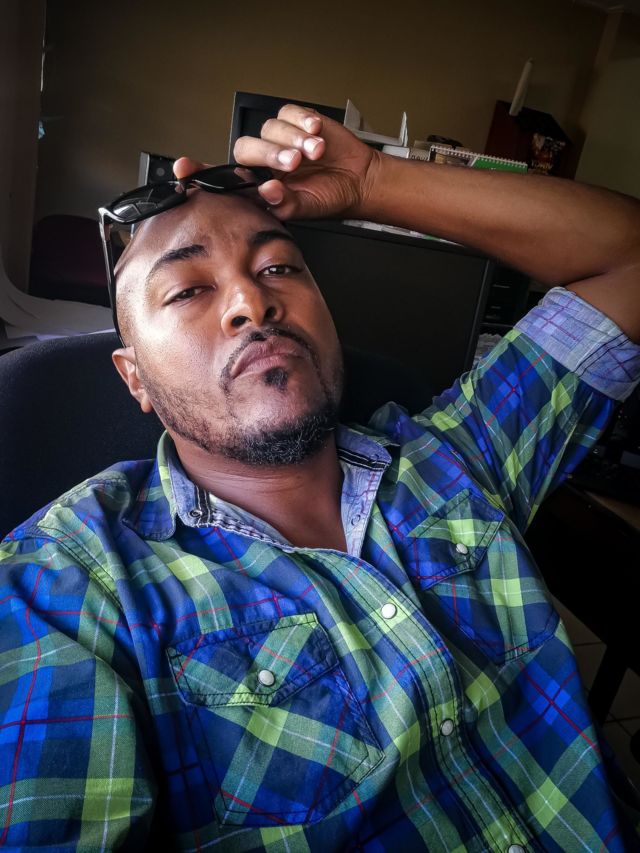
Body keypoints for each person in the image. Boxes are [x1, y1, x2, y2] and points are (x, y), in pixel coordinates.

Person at [1, 104, 639, 852]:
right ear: (134, 377)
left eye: (278, 267)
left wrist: (373, 180)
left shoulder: (455, 453)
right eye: (188, 290)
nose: (252, 302)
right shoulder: (64, 587)